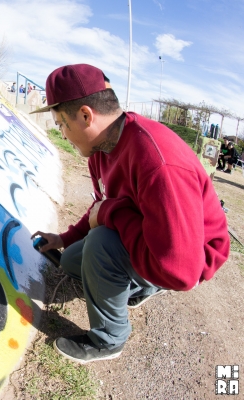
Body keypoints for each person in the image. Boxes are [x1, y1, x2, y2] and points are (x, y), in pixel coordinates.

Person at [29, 64, 230, 364]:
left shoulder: (157, 162)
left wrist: (110, 213)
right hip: (151, 233)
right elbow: (100, 207)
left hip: (189, 252)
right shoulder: (101, 149)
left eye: (60, 124)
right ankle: (140, 282)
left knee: (100, 247)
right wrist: (64, 238)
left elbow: (182, 271)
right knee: (72, 261)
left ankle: (109, 339)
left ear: (86, 115)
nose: (62, 133)